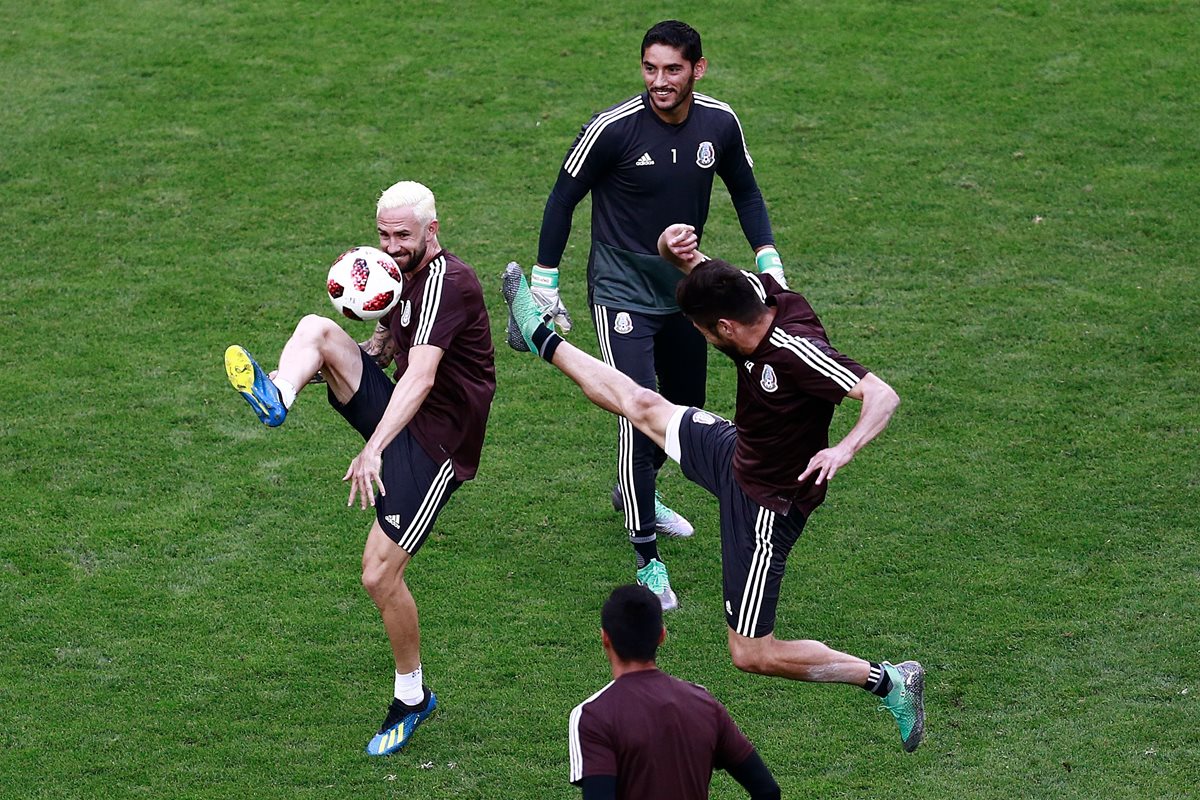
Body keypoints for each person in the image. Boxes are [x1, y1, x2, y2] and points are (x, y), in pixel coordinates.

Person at [502, 224, 926, 752]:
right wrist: (667, 249)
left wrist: (845, 448)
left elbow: (881, 395)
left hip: (766, 505)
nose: (702, 338)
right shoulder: (751, 292)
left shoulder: (794, 348)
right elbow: (706, 274)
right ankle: (538, 335)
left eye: (704, 332)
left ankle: (890, 681)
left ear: (724, 328)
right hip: (736, 449)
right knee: (641, 405)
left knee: (752, 654)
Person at [223, 180, 496, 756]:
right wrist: (351, 362)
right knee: (318, 331)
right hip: (404, 413)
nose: (391, 245)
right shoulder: (395, 277)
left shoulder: (450, 282)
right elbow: (388, 351)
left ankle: (412, 697)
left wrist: (374, 447)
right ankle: (279, 396)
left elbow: (420, 376)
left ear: (432, 231)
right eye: (384, 234)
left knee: (379, 576)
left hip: (437, 447)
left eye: (403, 235)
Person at [530, 20, 787, 611]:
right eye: (650, 68)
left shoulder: (719, 123)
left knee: (683, 406)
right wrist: (547, 280)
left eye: (672, 69)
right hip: (621, 288)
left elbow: (745, 190)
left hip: (684, 290)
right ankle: (647, 554)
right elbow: (562, 198)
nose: (659, 81)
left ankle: (636, 494)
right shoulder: (613, 130)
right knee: (637, 408)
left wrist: (767, 255)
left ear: (698, 69)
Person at [569, 584, 781, 800]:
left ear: (605, 637)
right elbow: (767, 791)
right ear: (662, 635)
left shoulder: (594, 715)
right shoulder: (704, 703)